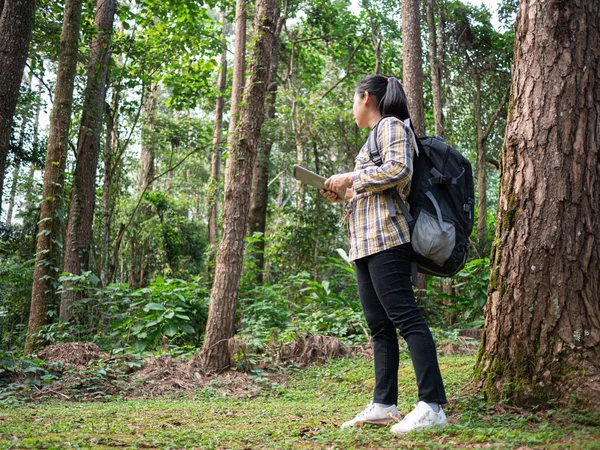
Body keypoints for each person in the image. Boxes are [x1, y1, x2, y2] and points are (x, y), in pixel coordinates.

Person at [320, 74, 448, 434]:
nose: (352, 108)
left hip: (387, 239)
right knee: (379, 328)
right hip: (364, 243)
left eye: (353, 101)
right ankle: (384, 404)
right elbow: (373, 187)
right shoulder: (370, 140)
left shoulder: (390, 125)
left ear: (365, 98)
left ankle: (433, 405)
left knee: (407, 319)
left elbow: (398, 170)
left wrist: (350, 178)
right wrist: (345, 192)